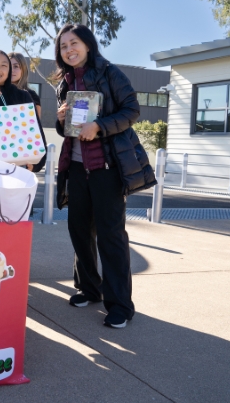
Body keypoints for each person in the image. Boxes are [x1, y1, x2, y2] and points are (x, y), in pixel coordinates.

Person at [53, 23, 156, 329]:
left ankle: (120, 304)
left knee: (111, 236)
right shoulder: (66, 81)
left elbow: (131, 110)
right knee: (79, 231)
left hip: (107, 167)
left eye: (74, 44)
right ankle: (89, 288)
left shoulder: (110, 72)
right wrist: (61, 119)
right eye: (63, 46)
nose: (69, 50)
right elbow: (67, 130)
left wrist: (99, 126)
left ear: (87, 44)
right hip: (75, 165)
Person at [0, 50, 46, 173]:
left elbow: (36, 133)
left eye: (4, 65)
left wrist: (36, 165)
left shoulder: (23, 96)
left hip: (16, 169)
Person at [7, 52, 42, 119]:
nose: (11, 70)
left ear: (23, 70)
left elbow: (36, 122)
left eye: (16, 66)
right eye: (8, 66)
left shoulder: (32, 95)